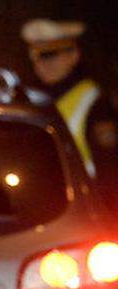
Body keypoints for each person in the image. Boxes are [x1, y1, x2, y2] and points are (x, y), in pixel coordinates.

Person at [22, 19, 118, 207]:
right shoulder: (35, 100)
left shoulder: (95, 101)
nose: (44, 64)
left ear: (73, 55)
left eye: (51, 55)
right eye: (38, 57)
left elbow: (109, 167)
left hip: (89, 206)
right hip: (47, 205)